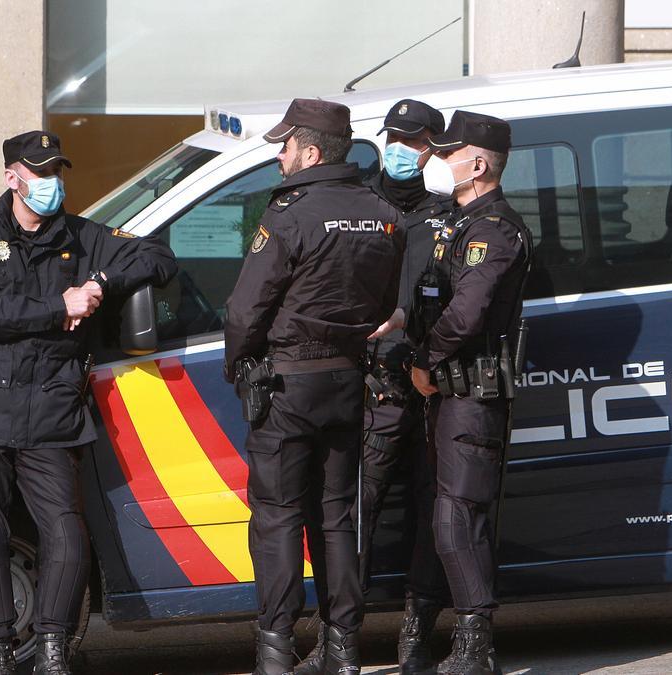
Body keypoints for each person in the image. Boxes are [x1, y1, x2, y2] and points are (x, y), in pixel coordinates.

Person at [0, 130, 177, 675]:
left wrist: (100, 283)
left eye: (55, 171)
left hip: (50, 407)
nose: (50, 183)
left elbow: (158, 258)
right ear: (11, 177)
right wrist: (56, 305)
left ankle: (51, 646)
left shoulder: (83, 236)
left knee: (65, 528)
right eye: (39, 173)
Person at [224, 98, 403, 675]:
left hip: (287, 386)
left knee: (277, 516)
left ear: (310, 149)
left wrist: (240, 364)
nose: (280, 157)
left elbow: (245, 307)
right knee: (336, 518)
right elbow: (386, 302)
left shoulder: (289, 213)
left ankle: (276, 651)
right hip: (349, 382)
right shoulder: (381, 212)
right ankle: (343, 650)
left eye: (285, 146)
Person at [406, 111, 531, 675]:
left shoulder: (494, 230)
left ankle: (475, 647)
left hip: (471, 392)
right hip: (452, 395)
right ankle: (461, 641)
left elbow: (466, 313)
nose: (437, 159)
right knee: (450, 515)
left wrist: (425, 361)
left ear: (477, 163)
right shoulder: (462, 223)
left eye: (449, 151)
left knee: (459, 516)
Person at [359, 98, 454, 674]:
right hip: (374, 388)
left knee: (434, 512)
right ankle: (338, 635)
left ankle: (417, 635)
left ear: (431, 151)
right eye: (393, 137)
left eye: (413, 142)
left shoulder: (447, 216)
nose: (400, 149)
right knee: (354, 514)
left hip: (436, 387)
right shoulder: (357, 207)